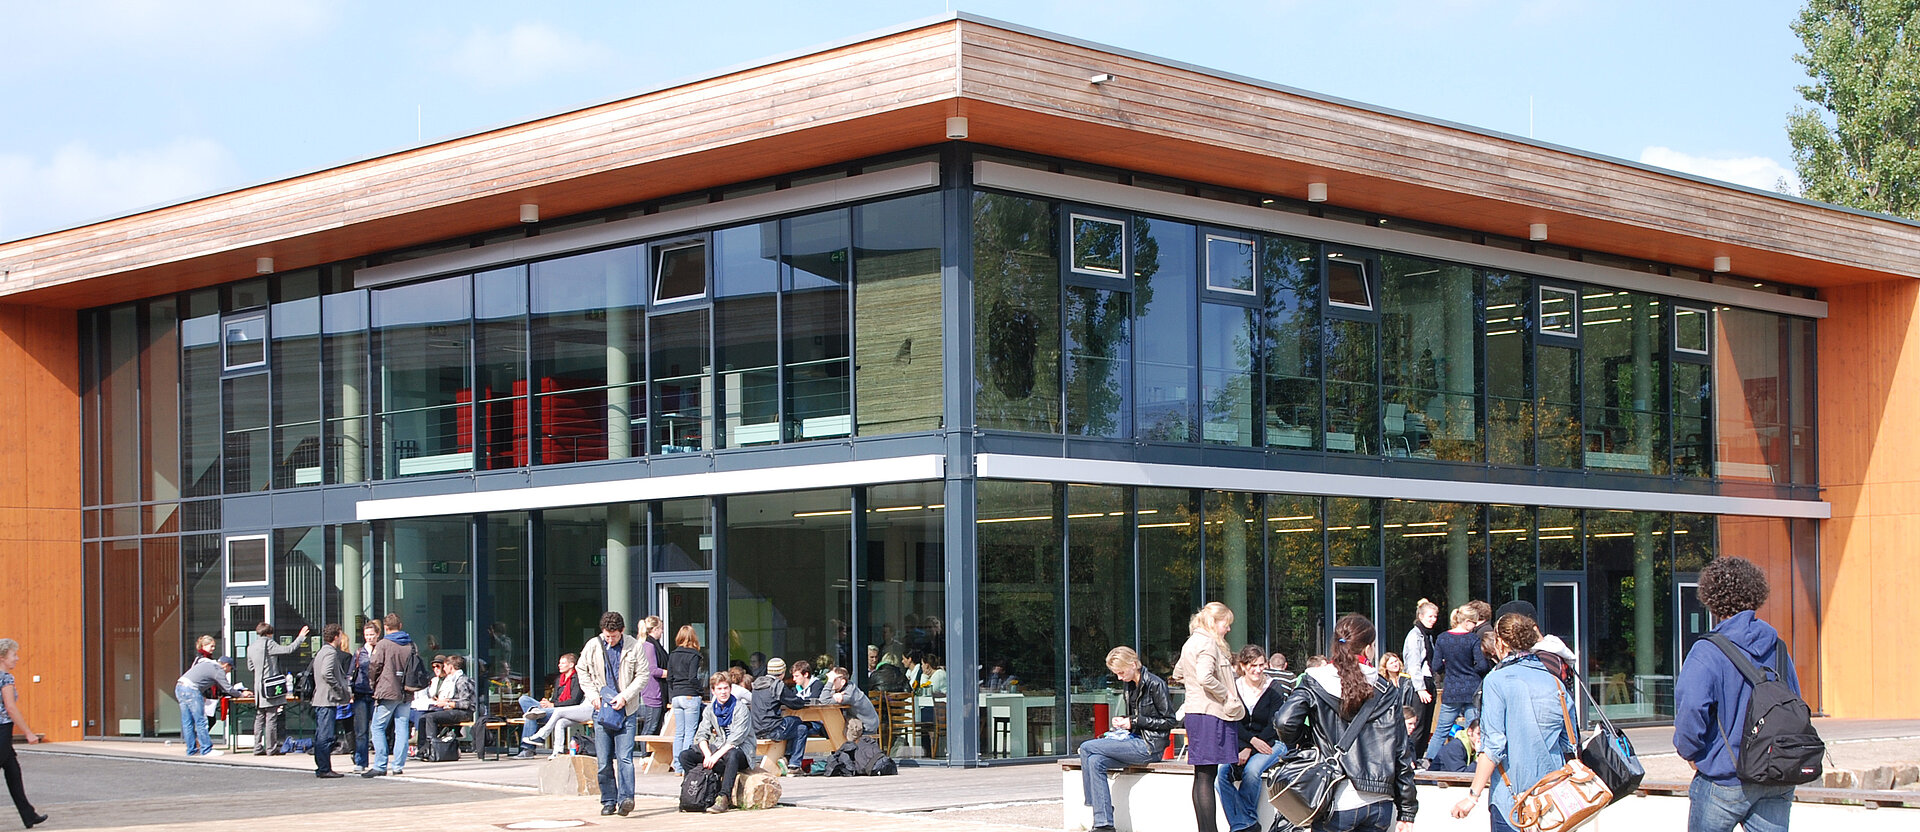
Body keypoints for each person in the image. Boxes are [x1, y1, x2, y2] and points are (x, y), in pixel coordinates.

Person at [1673, 556, 1801, 832]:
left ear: (1711, 597)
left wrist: (1691, 753)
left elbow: (1692, 708)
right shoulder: (1778, 647)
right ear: (1756, 593)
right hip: (1775, 774)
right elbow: (1796, 702)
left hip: (1724, 776)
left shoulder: (1707, 651)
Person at [1273, 614, 1418, 832]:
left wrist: (1310, 742)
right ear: (1368, 648)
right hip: (1379, 802)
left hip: (1336, 798)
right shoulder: (1386, 689)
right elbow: (1401, 751)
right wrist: (1407, 809)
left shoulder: (1315, 679)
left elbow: (1284, 722)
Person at [1449, 613, 1574, 832]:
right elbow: (1569, 742)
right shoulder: (1555, 682)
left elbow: (1493, 745)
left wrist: (1472, 796)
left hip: (1513, 797)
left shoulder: (1497, 681)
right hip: (1553, 796)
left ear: (1502, 642)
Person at [1075, 646, 1172, 832]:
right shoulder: (1129, 684)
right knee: (1095, 761)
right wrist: (1124, 721)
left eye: (1121, 672)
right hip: (1133, 740)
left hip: (1149, 746)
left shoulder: (1155, 684)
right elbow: (1135, 718)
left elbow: (1169, 721)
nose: (1119, 677)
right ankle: (1104, 824)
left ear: (1133, 664)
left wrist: (1134, 721)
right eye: (1116, 673)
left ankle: (1094, 804)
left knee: (1087, 748)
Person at [1173, 602, 1245, 832]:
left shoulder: (1192, 641)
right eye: (1227, 624)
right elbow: (1205, 677)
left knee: (1202, 775)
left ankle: (1206, 829)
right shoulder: (1207, 643)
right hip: (1209, 714)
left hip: (1197, 711)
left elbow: (1178, 673)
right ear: (1214, 622)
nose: (1229, 629)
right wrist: (1226, 695)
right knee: (1206, 776)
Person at [577, 610, 649, 817]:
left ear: (622, 631)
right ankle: (608, 800)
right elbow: (582, 670)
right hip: (602, 709)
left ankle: (626, 798)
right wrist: (592, 696)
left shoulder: (634, 646)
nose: (610, 639)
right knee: (603, 760)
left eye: (614, 636)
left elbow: (643, 675)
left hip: (626, 709)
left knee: (624, 757)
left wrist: (625, 696)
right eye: (607, 636)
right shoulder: (593, 645)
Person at [1217, 644, 1288, 832]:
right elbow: (1232, 721)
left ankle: (1243, 824)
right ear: (1243, 666)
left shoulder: (1274, 689)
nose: (1257, 670)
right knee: (1220, 775)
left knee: (1252, 771)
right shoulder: (1234, 687)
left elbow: (1274, 724)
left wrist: (1251, 747)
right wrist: (1249, 743)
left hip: (1272, 742)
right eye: (1252, 665)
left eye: (1261, 665)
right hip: (1241, 742)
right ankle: (1247, 823)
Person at [1423, 605, 1490, 768]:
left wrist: (1450, 667)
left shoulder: (1443, 638)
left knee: (1441, 730)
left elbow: (1437, 666)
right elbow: (1482, 666)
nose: (1475, 626)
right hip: (1471, 689)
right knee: (1472, 728)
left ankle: (1429, 760)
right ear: (1467, 622)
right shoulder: (1472, 639)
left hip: (1451, 688)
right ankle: (1473, 762)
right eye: (1473, 622)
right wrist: (1470, 668)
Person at [680, 672, 755, 814]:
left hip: (741, 751)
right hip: (718, 749)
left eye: (726, 688)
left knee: (732, 755)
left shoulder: (741, 709)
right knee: (685, 756)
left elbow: (736, 739)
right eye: (719, 689)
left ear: (730, 689)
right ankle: (697, 792)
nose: (723, 692)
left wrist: (714, 757)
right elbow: (701, 735)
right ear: (713, 691)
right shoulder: (710, 709)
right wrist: (708, 755)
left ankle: (723, 797)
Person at [0, 639, 47, 829]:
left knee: (13, 772)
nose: (17, 659)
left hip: (3, 734)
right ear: (3, 657)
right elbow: (10, 708)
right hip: (2, 731)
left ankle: (28, 815)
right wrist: (28, 732)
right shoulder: (6, 678)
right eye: (14, 655)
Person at [365, 612, 418, 778]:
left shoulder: (383, 644)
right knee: (401, 727)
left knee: (377, 727)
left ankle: (380, 765)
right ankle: (398, 765)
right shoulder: (411, 644)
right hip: (407, 691)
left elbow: (374, 666)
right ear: (400, 626)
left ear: (386, 628)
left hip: (388, 690)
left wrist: (373, 684)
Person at [247, 620, 310, 755]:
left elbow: (250, 667)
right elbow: (288, 649)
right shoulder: (269, 644)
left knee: (259, 717)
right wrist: (300, 637)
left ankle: (257, 747)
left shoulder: (251, 647)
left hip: (258, 687)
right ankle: (271, 748)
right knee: (271, 716)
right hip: (269, 687)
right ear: (269, 633)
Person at [175, 634, 238, 757]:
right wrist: (240, 694)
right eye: (230, 669)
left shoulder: (203, 661)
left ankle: (191, 750)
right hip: (192, 690)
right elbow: (227, 688)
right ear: (225, 665)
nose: (229, 671)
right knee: (201, 720)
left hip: (180, 686)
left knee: (187, 721)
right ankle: (206, 749)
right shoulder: (216, 668)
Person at [515, 653, 587, 758]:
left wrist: (553, 704)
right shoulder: (559, 679)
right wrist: (547, 704)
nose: (559, 665)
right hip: (552, 710)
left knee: (531, 716)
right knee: (524, 699)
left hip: (567, 711)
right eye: (559, 663)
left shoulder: (578, 679)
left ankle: (528, 750)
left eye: (563, 663)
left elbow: (574, 701)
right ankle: (535, 710)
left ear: (571, 665)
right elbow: (554, 699)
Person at [750, 657, 811, 776]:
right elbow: (795, 703)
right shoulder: (777, 685)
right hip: (772, 730)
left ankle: (792, 763)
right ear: (782, 673)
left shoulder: (757, 684)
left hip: (756, 729)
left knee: (801, 729)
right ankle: (790, 761)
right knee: (797, 721)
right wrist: (803, 700)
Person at [309, 623, 351, 778]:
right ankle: (324, 768)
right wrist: (339, 688)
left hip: (320, 698)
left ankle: (322, 767)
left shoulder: (321, 651)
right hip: (327, 699)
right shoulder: (330, 653)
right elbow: (327, 673)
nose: (341, 638)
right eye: (340, 635)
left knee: (322, 734)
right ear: (336, 636)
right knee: (325, 736)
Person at [1401, 599, 1440, 756]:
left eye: (1435, 616)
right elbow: (1414, 664)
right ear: (1421, 616)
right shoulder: (1415, 636)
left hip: (1428, 680)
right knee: (1417, 724)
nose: (1433, 620)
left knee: (1427, 724)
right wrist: (1420, 688)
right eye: (1430, 616)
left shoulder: (1428, 636)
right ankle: (1412, 757)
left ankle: (1418, 756)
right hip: (1419, 682)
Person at [414, 654, 475, 756]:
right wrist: (447, 700)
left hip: (464, 713)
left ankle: (433, 749)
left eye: (445, 666)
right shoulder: (454, 679)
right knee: (423, 718)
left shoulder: (461, 680)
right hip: (455, 710)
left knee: (430, 717)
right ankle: (422, 749)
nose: (444, 668)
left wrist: (447, 703)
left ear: (451, 666)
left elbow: (466, 703)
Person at [666, 626, 706, 774]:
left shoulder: (673, 654)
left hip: (676, 695)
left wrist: (673, 693)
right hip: (690, 695)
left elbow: (669, 678)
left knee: (679, 733)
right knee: (690, 732)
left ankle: (677, 765)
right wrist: (701, 691)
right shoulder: (694, 655)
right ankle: (685, 765)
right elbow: (692, 678)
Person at [349, 621, 380, 774]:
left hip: (377, 694)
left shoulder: (381, 650)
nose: (369, 638)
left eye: (372, 635)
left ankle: (380, 761)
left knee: (377, 729)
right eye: (367, 635)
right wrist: (351, 692)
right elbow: (350, 673)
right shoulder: (359, 652)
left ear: (377, 635)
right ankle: (361, 761)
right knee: (361, 730)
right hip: (361, 692)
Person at [637, 616, 669, 748]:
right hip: (653, 691)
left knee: (655, 725)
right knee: (651, 726)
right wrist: (670, 673)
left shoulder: (651, 645)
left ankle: (649, 754)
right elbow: (653, 670)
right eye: (661, 628)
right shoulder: (649, 646)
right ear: (655, 629)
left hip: (656, 691)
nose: (662, 632)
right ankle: (645, 754)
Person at [827, 666, 880, 735]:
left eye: (834, 679)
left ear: (842, 682)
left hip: (866, 727)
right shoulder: (844, 688)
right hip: (857, 723)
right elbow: (824, 699)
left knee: (837, 731)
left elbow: (824, 700)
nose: (831, 682)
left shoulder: (849, 694)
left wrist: (830, 682)